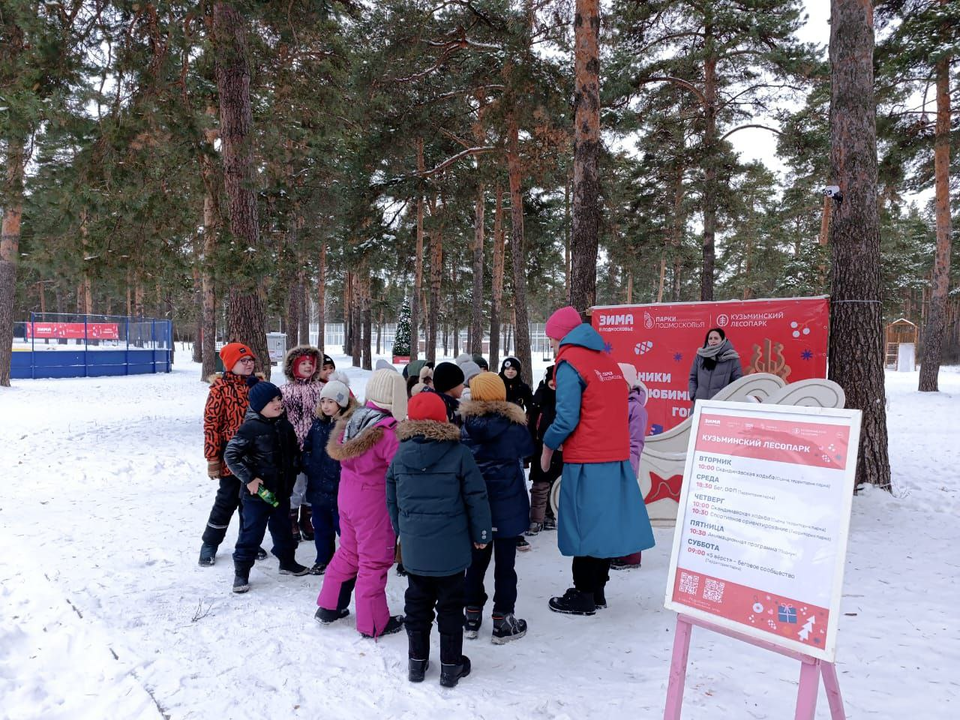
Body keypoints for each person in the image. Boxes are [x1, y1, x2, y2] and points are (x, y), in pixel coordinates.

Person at [539, 306, 656, 615]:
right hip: (614, 458)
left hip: (587, 459)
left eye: (552, 340)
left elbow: (566, 418)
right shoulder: (606, 361)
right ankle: (598, 589)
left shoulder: (569, 364)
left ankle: (583, 594)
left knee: (583, 527)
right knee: (602, 526)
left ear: (561, 336)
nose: (553, 347)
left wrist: (547, 446)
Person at [386, 392, 493, 687]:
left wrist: (404, 531)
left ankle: (416, 664)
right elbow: (476, 497)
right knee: (450, 607)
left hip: (415, 550)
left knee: (417, 605)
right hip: (451, 550)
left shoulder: (400, 454)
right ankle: (450, 666)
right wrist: (482, 534)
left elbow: (392, 499)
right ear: (444, 419)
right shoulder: (460, 454)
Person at [314, 369, 408, 638]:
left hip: (348, 496)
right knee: (374, 561)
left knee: (348, 552)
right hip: (373, 503)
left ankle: (329, 606)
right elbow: (400, 471)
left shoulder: (354, 419)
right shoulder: (388, 431)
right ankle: (374, 622)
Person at [460, 372, 535, 644]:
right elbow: (528, 450)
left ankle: (471, 614)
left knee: (475, 564)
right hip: (508, 506)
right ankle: (503, 619)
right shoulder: (514, 426)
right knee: (506, 566)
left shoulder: (465, 425)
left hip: (476, 507)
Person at [224, 382, 311, 593]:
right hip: (257, 495)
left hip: (281, 491)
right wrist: (250, 478)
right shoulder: (250, 428)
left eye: (279, 399)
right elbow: (231, 455)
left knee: (283, 529)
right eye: (272, 401)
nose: (278, 403)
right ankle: (242, 571)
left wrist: (297, 465)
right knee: (251, 532)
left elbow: (292, 453)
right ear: (258, 405)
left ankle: (287, 562)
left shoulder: (285, 426)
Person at [198, 342, 264, 567]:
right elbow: (211, 425)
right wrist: (213, 458)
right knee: (227, 500)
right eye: (242, 361)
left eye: (250, 360)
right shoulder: (220, 389)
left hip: (258, 454)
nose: (248, 364)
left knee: (253, 502)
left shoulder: (260, 385)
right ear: (230, 364)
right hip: (231, 456)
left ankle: (249, 542)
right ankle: (210, 543)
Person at [302, 373, 356, 575]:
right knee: (321, 527)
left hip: (339, 489)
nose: (325, 405)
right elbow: (307, 447)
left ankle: (348, 560)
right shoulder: (318, 424)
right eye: (323, 401)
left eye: (330, 401)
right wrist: (308, 463)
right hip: (317, 487)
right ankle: (323, 558)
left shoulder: (348, 426)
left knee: (343, 529)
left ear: (341, 403)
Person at [280, 345, 326, 546]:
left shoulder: (321, 389)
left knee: (312, 486)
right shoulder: (284, 391)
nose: (308, 366)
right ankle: (291, 520)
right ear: (293, 367)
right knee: (296, 486)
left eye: (310, 363)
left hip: (316, 447)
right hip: (293, 447)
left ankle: (307, 519)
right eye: (303, 363)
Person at [610, 364, 650, 571]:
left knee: (627, 511)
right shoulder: (612, 404)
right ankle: (617, 550)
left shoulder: (636, 409)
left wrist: (629, 469)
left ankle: (631, 556)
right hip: (610, 464)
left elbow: (636, 444)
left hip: (625, 466)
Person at [526, 365, 561, 536]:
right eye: (551, 384)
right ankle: (536, 518)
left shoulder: (565, 402)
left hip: (560, 451)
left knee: (555, 485)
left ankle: (551, 515)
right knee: (540, 485)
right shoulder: (538, 400)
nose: (553, 388)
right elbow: (531, 424)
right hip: (540, 450)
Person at [688, 328, 743, 403]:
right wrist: (693, 395)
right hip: (700, 403)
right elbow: (693, 378)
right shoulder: (700, 355)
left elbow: (737, 382)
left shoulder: (731, 358)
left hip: (720, 405)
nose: (713, 341)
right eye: (710, 338)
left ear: (722, 340)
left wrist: (728, 400)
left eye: (716, 338)